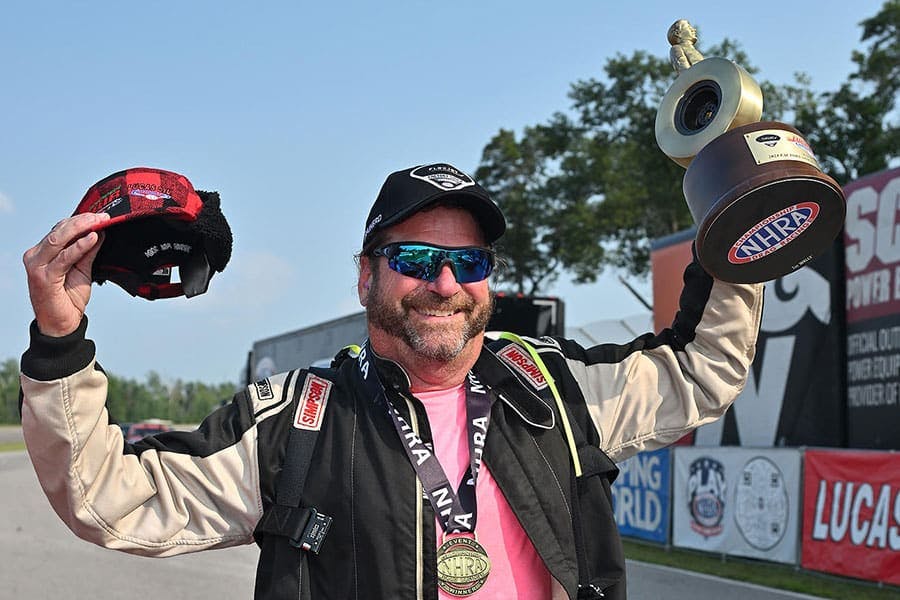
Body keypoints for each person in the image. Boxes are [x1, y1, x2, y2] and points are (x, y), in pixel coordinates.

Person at [20, 162, 763, 599]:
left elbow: (701, 370)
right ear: (366, 276)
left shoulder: (554, 386)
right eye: (412, 259)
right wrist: (60, 341)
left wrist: (742, 211)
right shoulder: (295, 422)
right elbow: (106, 497)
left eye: (468, 264)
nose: (443, 283)